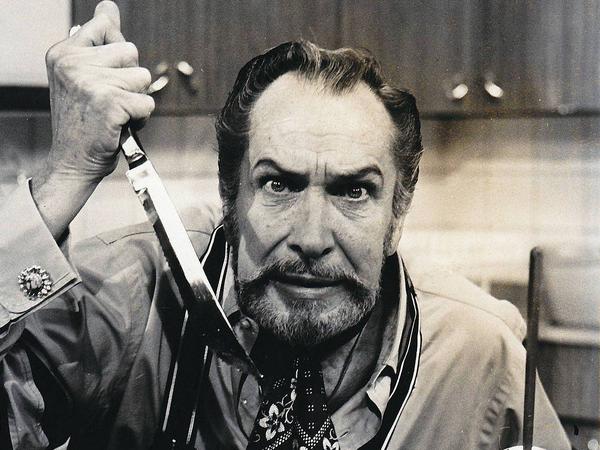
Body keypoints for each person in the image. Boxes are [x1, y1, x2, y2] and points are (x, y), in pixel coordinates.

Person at [0, 2, 571, 449]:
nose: (313, 239)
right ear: (230, 195)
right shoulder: (132, 296)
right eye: (278, 184)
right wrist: (64, 178)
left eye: (354, 191)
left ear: (398, 213)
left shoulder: (482, 355)